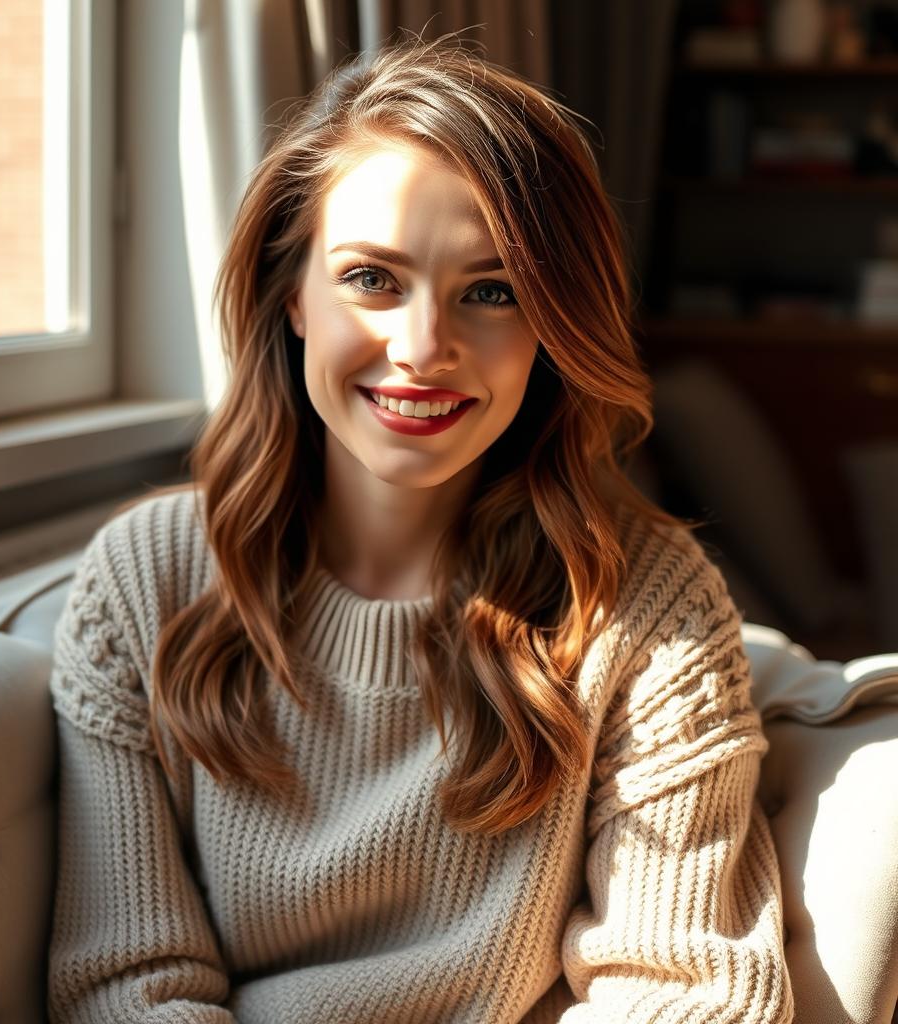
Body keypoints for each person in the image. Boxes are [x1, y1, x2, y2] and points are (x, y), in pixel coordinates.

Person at [45, 33, 794, 1024]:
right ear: (292, 296)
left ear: (552, 328)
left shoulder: (648, 604)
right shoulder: (147, 582)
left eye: (491, 291)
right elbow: (125, 989)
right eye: (370, 278)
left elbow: (685, 993)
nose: (423, 347)